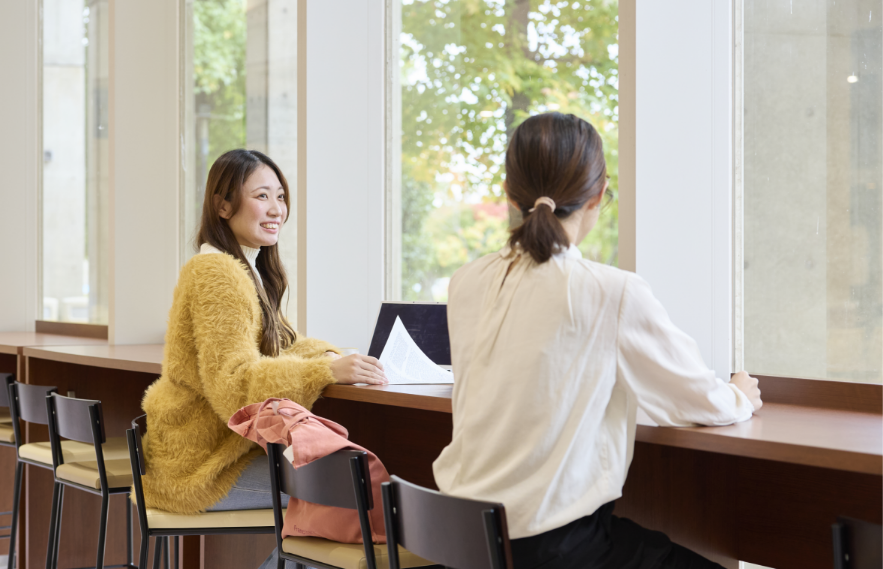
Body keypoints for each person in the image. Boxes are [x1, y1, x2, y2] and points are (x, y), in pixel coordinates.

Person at [432, 112, 763, 569]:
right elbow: (696, 401)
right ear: (599, 194)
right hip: (551, 550)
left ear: (509, 193)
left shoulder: (466, 281)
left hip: (463, 539)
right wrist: (739, 396)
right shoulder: (611, 291)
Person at [140, 147, 385, 526]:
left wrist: (334, 355)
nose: (277, 210)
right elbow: (234, 387)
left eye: (281, 196)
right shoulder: (217, 273)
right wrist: (325, 372)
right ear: (223, 207)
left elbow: (282, 344)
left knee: (351, 483)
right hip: (203, 470)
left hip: (215, 455)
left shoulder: (243, 267)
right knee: (355, 494)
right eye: (262, 196)